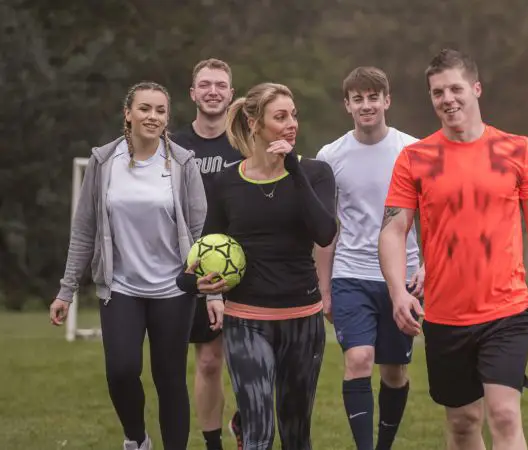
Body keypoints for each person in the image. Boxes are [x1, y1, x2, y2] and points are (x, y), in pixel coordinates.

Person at [379, 48, 528, 450]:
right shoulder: (414, 158)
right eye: (437, 92)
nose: (447, 99)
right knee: (464, 423)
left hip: (506, 310)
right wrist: (397, 292)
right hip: (446, 316)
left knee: (503, 413)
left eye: (455, 88)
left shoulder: (517, 150)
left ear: (476, 89)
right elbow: (394, 231)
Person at [48, 81, 208, 450]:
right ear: (128, 114)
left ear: (168, 117)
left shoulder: (184, 163)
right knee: (121, 372)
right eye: (145, 109)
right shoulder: (104, 162)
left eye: (160, 111)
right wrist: (66, 288)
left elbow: (200, 232)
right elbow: (85, 227)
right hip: (121, 288)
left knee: (169, 379)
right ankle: (136, 438)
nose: (152, 117)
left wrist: (208, 291)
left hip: (174, 289)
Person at [201, 82, 337, 450]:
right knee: (260, 435)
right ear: (255, 123)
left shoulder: (316, 173)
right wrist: (198, 284)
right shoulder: (226, 181)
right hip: (247, 320)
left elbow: (325, 233)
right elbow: (208, 245)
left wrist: (295, 169)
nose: (291, 123)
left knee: (296, 436)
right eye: (280, 116)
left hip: (303, 320)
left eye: (293, 115)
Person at [314, 66, 424, 450]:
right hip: (351, 275)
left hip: (403, 279)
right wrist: (324, 288)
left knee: (394, 372)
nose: (366, 105)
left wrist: (426, 266)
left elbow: (435, 216)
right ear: (347, 105)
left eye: (373, 97)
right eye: (358, 98)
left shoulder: (413, 150)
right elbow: (326, 230)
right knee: (359, 358)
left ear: (387, 101)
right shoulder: (331, 155)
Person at [170, 58, 243, 450]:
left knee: (251, 359)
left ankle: (247, 420)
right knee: (209, 360)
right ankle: (213, 441)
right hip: (197, 267)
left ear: (231, 93)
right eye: (205, 84)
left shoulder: (245, 141)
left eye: (220, 85)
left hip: (247, 265)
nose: (213, 91)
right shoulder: (176, 145)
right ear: (193, 93)